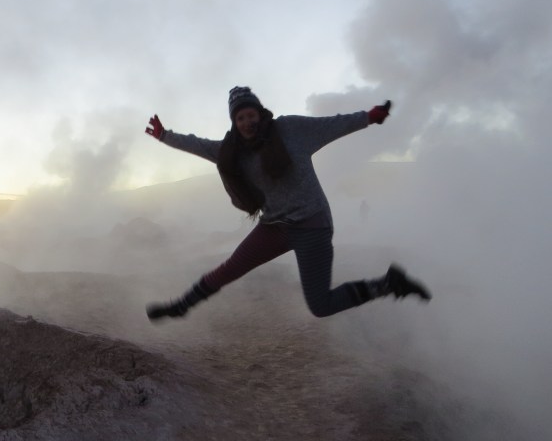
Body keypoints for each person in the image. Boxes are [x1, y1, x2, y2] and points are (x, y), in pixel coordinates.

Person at [144, 86, 430, 321]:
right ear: (234, 121)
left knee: (320, 305)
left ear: (260, 112)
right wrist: (164, 136)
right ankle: (181, 307)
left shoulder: (291, 130)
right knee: (231, 267)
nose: (247, 122)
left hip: (312, 225)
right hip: (274, 226)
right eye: (240, 117)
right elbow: (198, 144)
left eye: (250, 114)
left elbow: (332, 125)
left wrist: (368, 117)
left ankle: (389, 284)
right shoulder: (232, 152)